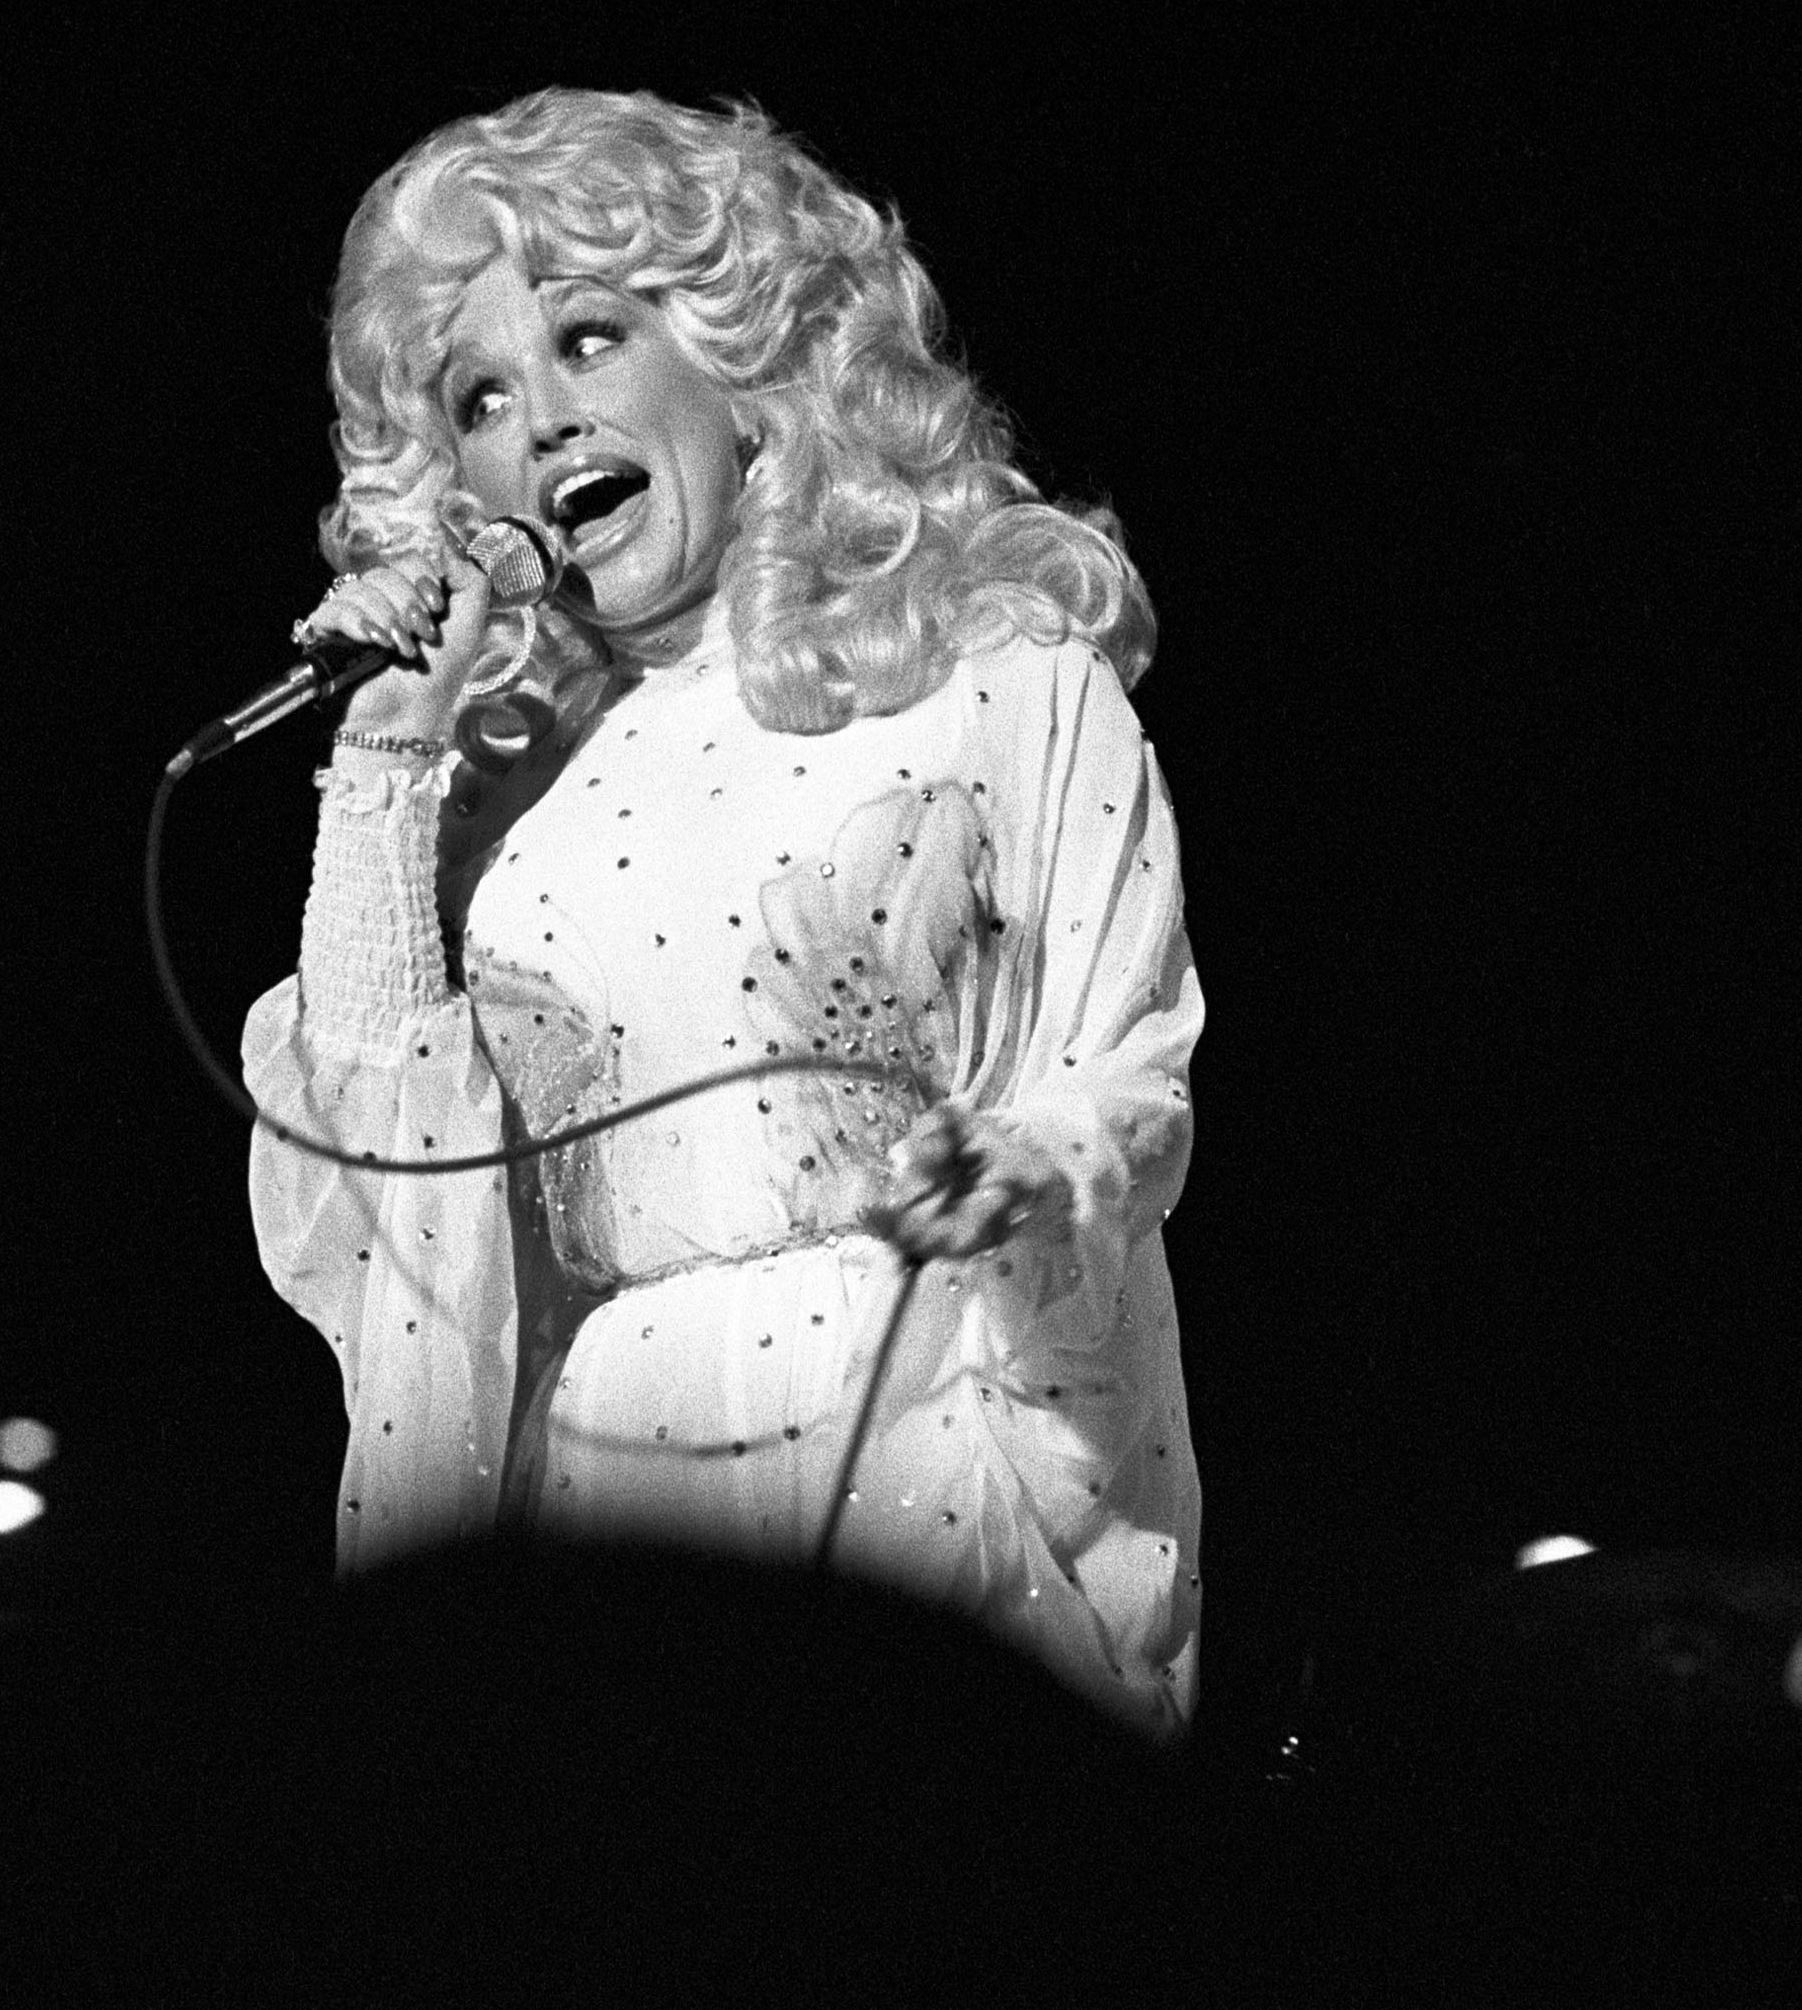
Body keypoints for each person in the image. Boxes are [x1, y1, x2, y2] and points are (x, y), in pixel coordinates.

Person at [242, 89, 1205, 1739]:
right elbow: (378, 1202)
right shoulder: (506, 796)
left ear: (740, 363)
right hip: (606, 1489)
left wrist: (1025, 1171)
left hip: (922, 1424)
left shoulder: (994, 679)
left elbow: (1131, 1071)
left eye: (591, 339)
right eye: (479, 395)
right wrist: (392, 755)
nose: (539, 421)